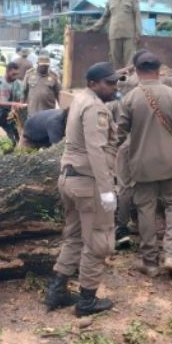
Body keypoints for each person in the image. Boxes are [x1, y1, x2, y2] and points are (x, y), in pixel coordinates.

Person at [45, 62, 119, 317]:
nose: (114, 87)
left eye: (115, 82)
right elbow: (96, 149)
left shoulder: (80, 99)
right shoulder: (95, 107)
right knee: (99, 241)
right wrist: (107, 189)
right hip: (89, 183)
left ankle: (56, 291)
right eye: (108, 83)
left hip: (70, 179)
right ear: (93, 83)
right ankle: (86, 301)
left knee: (75, 237)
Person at [117, 52, 172, 277]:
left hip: (142, 164)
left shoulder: (130, 98)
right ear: (159, 68)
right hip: (170, 162)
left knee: (146, 210)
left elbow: (120, 134)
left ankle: (150, 261)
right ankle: (171, 254)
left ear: (136, 69)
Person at [90, 0, 142, 70]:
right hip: (114, 35)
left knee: (129, 61)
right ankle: (117, 82)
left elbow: (137, 16)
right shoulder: (110, 1)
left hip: (129, 35)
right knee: (114, 61)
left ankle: (127, 82)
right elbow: (105, 17)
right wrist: (94, 28)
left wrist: (138, 33)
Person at [0, 62, 27, 145]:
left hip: (10, 115)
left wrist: (19, 106)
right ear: (7, 71)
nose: (15, 77)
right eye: (13, 74)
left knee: (15, 139)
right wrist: (14, 104)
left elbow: (21, 100)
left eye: (17, 74)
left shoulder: (18, 84)